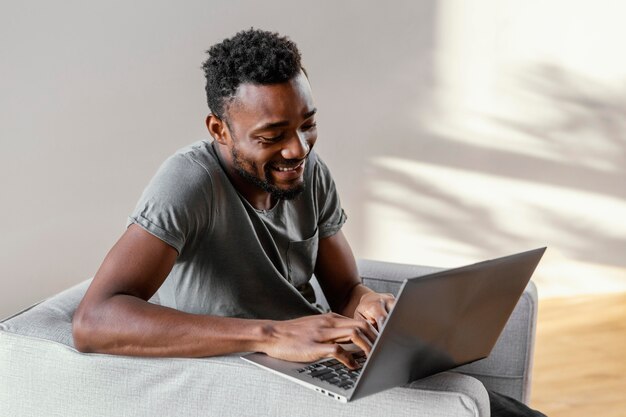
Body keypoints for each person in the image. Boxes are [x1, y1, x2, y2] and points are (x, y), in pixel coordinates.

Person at [72, 28, 545, 416]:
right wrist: (275, 334)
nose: (298, 148)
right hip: (237, 375)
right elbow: (94, 321)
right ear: (219, 130)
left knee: (494, 408)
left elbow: (344, 289)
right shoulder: (188, 183)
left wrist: (367, 305)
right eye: (272, 135)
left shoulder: (308, 172)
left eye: (307, 124)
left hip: (314, 363)